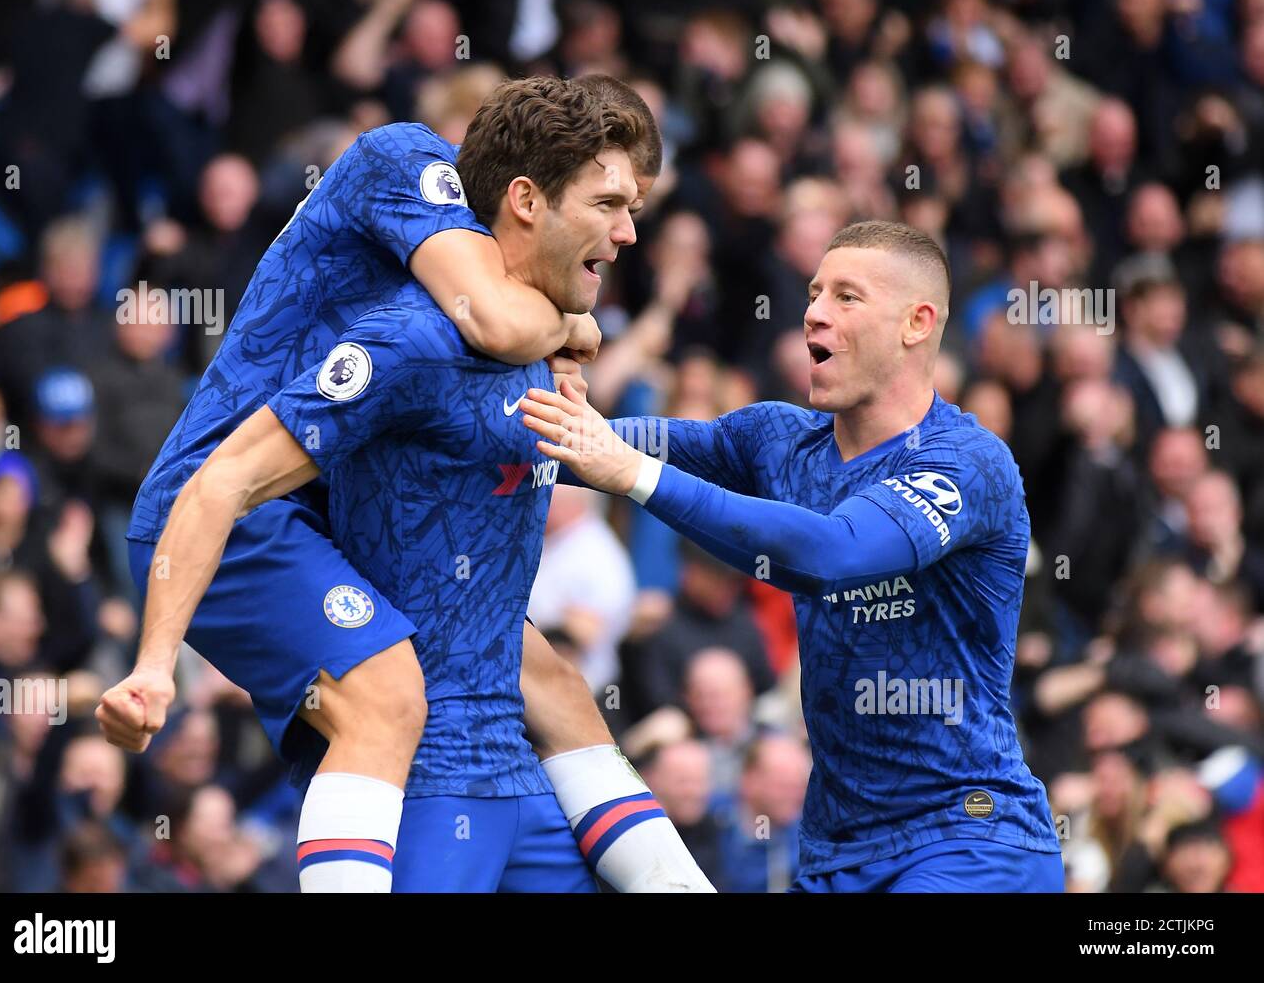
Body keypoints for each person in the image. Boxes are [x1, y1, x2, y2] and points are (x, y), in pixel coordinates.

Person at [98, 75, 712, 892]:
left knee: (549, 678)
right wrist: (152, 666)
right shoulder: (406, 169)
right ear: (522, 191)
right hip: (227, 506)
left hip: (323, 498)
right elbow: (495, 316)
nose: (630, 231)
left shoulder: (482, 292)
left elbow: (508, 313)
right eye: (609, 203)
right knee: (387, 693)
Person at [521, 220, 1065, 892]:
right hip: (835, 849)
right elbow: (589, 445)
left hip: (968, 835)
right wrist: (530, 383)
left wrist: (626, 469)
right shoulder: (775, 439)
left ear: (916, 323)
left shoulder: (966, 463)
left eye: (847, 296)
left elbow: (835, 551)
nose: (814, 311)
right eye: (813, 292)